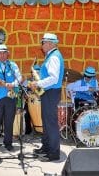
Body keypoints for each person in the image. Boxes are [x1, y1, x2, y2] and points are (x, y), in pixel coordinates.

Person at [28, 33, 64, 161]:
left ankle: (54, 153)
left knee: (50, 123)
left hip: (51, 92)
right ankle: (46, 147)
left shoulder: (54, 57)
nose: (42, 45)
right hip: (49, 92)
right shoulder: (51, 55)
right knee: (47, 122)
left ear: (50, 43)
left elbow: (53, 79)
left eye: (43, 42)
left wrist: (37, 83)